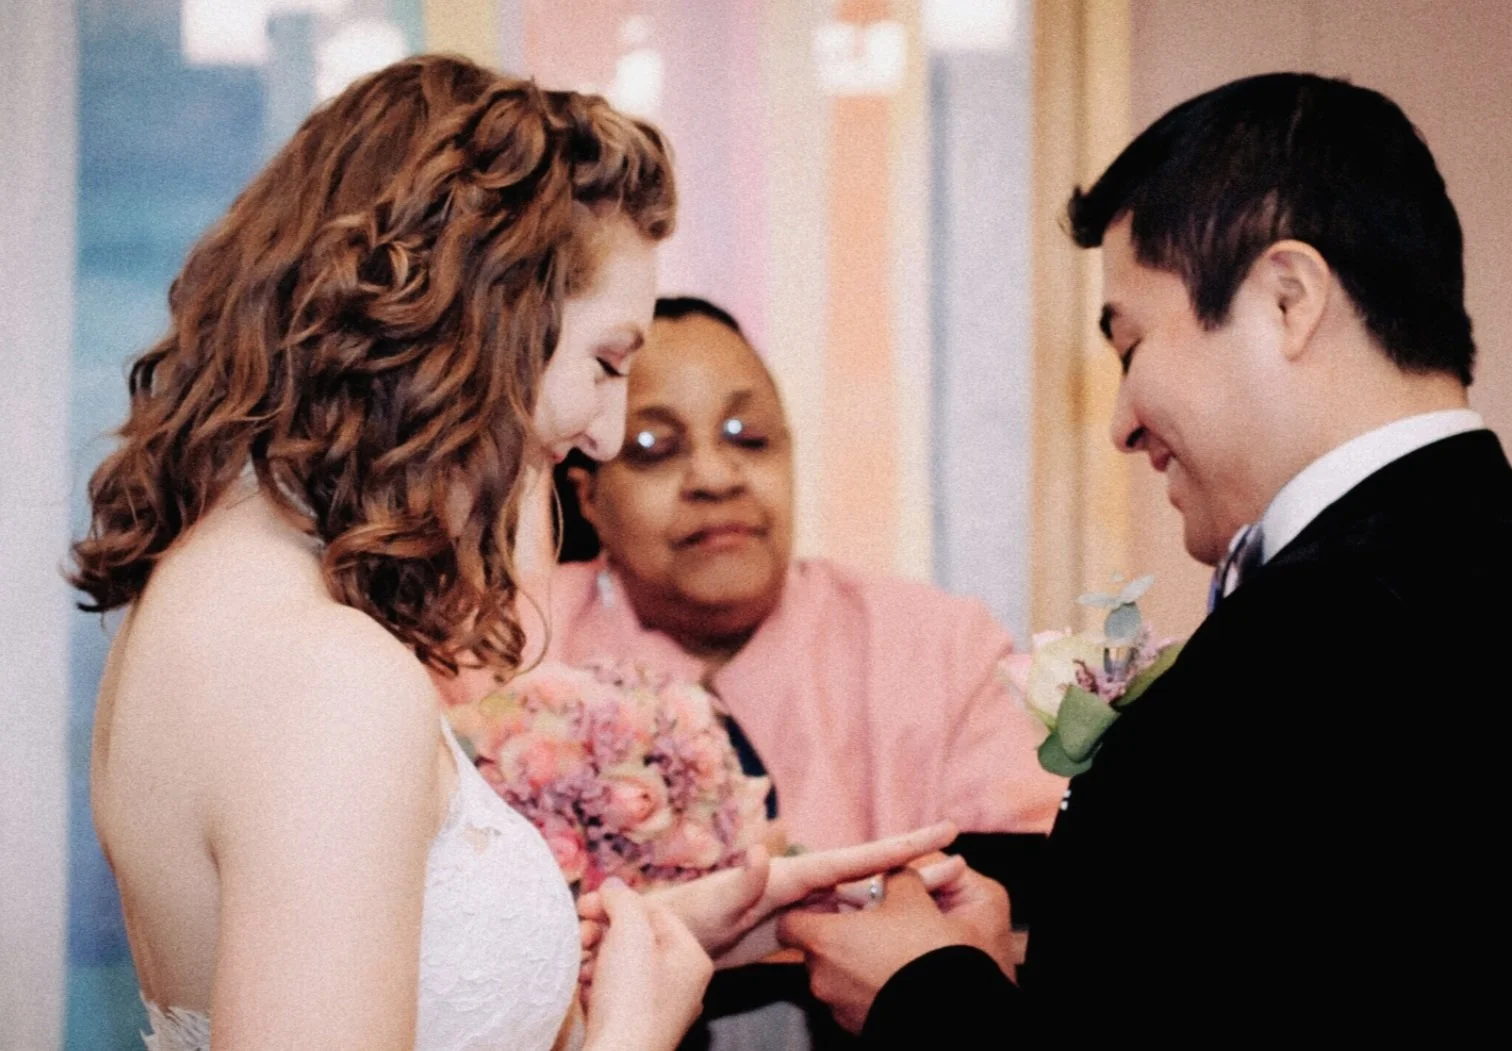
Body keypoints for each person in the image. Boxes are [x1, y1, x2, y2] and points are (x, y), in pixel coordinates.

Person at [73, 55, 953, 1051]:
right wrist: (628, 1035)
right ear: (478, 324)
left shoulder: (198, 603)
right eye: (607, 362)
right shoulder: (327, 675)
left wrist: (665, 934)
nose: (606, 432)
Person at [776, 72, 1510, 1043]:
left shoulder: (1319, 643)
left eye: (1131, 343)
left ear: (1288, 299)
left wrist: (923, 994)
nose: (1123, 423)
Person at [512, 296, 1065, 1047]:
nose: (714, 474)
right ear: (590, 497)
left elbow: (1033, 904)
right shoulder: (511, 644)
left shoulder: (937, 645)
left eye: (750, 436)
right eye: (653, 445)